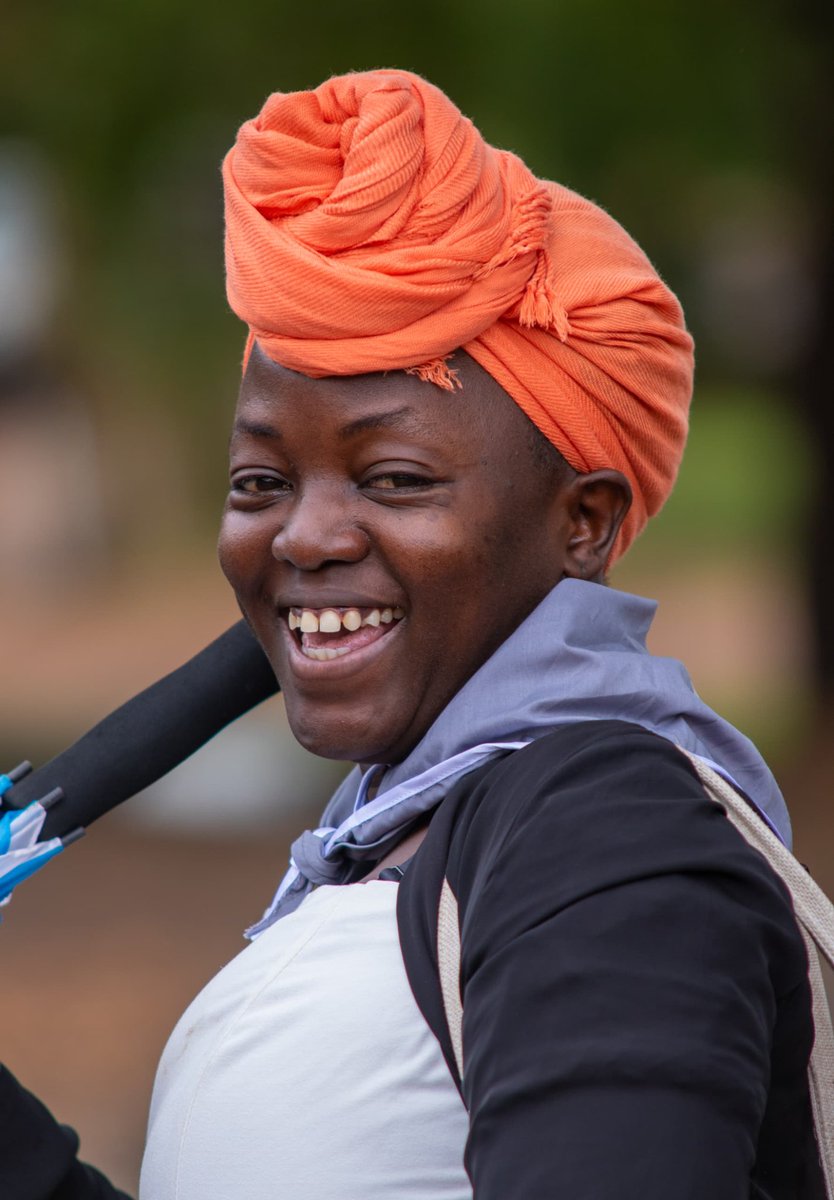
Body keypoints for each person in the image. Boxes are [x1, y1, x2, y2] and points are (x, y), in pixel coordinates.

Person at [0, 69, 823, 1198]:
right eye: (259, 481)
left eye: (392, 478)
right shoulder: (418, 835)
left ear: (582, 523)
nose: (304, 536)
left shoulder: (604, 833)